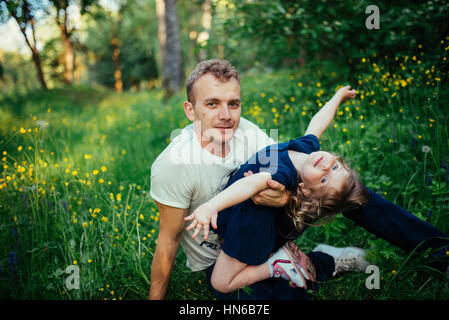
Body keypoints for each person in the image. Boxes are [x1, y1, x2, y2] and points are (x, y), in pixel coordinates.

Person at [149, 59, 449, 300]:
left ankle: (439, 249)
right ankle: (324, 262)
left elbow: (292, 174)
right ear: (191, 111)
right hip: (224, 254)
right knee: (271, 295)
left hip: (266, 226)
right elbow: (168, 241)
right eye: (212, 104)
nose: (226, 115)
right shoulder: (174, 165)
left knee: (344, 188)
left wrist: (286, 198)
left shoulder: (248, 132)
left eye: (234, 104)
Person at [184, 85, 373, 293]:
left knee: (221, 283)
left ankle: (277, 263)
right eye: (336, 167)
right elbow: (317, 124)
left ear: (306, 191)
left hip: (248, 229)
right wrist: (338, 97)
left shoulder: (283, 175)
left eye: (325, 180)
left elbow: (250, 183)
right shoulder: (305, 151)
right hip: (244, 221)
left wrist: (210, 206)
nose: (327, 167)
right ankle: (275, 254)